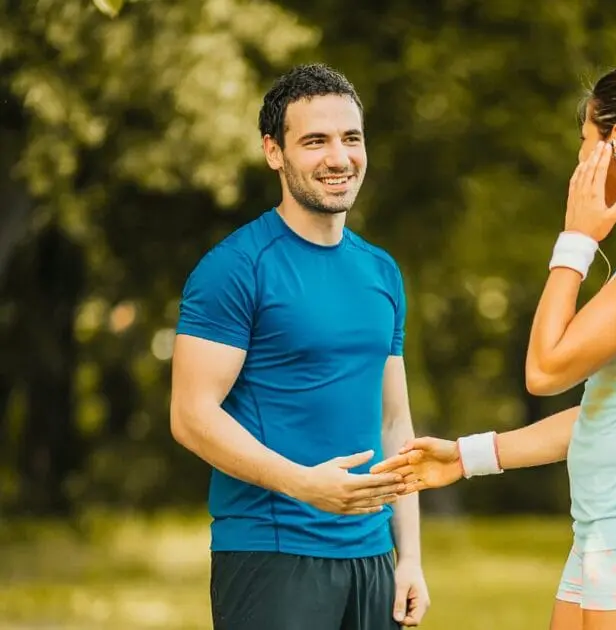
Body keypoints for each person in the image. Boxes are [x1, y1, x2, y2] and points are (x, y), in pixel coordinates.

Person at [372, 60, 616, 630]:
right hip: (608, 529)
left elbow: (544, 371)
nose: (579, 158)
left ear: (615, 143)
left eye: (585, 140)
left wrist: (575, 239)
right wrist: (465, 457)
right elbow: (602, 416)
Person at [169, 64, 429, 630]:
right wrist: (304, 485)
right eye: (315, 141)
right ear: (274, 152)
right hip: (271, 554)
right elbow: (190, 416)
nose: (339, 157)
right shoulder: (235, 268)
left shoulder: (381, 271)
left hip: (373, 557)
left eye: (351, 138)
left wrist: (408, 555)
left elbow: (394, 423)